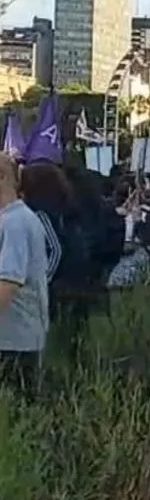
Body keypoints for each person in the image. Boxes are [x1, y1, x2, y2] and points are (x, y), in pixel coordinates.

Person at [0, 152, 50, 395]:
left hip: (13, 344)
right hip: (16, 340)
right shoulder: (14, 219)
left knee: (15, 409)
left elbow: (7, 285)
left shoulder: (15, 224)